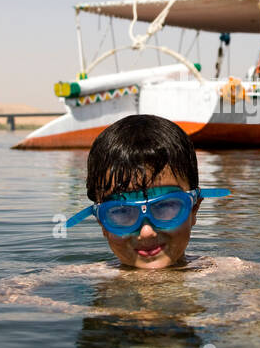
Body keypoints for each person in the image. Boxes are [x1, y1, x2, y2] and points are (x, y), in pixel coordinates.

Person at [65, 114, 231, 269]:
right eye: (122, 212)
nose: (146, 233)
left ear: (194, 209)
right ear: (102, 222)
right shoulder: (81, 276)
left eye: (165, 207)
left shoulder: (229, 273)